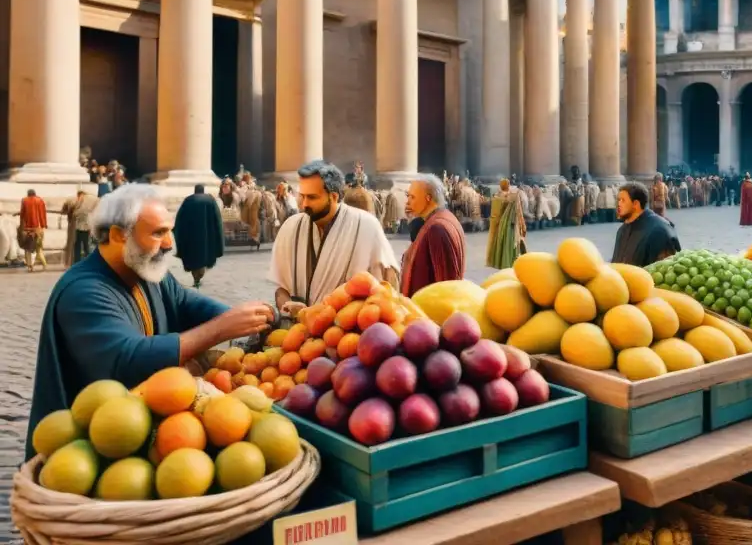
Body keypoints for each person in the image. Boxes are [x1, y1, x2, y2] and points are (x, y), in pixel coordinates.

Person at [27, 184, 275, 457]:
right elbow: (127, 358)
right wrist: (222, 328)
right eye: (158, 233)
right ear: (118, 235)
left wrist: (243, 317)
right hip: (97, 447)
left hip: (143, 433)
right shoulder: (82, 292)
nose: (169, 244)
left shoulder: (141, 267)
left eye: (169, 231)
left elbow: (184, 302)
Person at [269, 159, 399, 315]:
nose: (304, 205)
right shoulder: (290, 227)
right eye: (301, 196)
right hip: (299, 331)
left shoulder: (367, 226)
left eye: (312, 197)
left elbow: (388, 288)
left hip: (348, 332)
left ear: (334, 196)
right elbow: (281, 289)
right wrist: (289, 307)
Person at [400, 174, 466, 296]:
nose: (408, 202)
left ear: (428, 198)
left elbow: (446, 284)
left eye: (412, 197)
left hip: (428, 310)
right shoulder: (438, 219)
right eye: (408, 196)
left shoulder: (437, 228)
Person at [611, 182, 681, 267]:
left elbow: (665, 271)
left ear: (636, 204)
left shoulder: (659, 231)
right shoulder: (622, 230)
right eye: (618, 200)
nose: (618, 204)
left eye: (623, 200)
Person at [173, 184, 225, 288]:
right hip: (207, 238)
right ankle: (198, 278)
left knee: (194, 260)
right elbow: (217, 221)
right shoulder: (210, 201)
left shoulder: (188, 200)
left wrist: (177, 234)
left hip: (191, 237)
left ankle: (196, 278)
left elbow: (179, 220)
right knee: (203, 259)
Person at [486, 179, 527, 269]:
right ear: (508, 185)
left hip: (502, 224)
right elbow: (519, 211)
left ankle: (500, 261)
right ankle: (512, 260)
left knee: (502, 242)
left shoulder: (497, 196)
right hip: (512, 223)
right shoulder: (514, 195)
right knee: (511, 241)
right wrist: (522, 224)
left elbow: (495, 213)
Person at [19, 189, 48, 272]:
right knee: (38, 247)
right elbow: (43, 213)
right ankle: (44, 264)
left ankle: (30, 266)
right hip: (38, 228)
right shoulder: (40, 200)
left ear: (28, 194)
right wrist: (44, 224)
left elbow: (22, 214)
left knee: (28, 248)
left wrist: (21, 227)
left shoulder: (24, 200)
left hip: (27, 228)